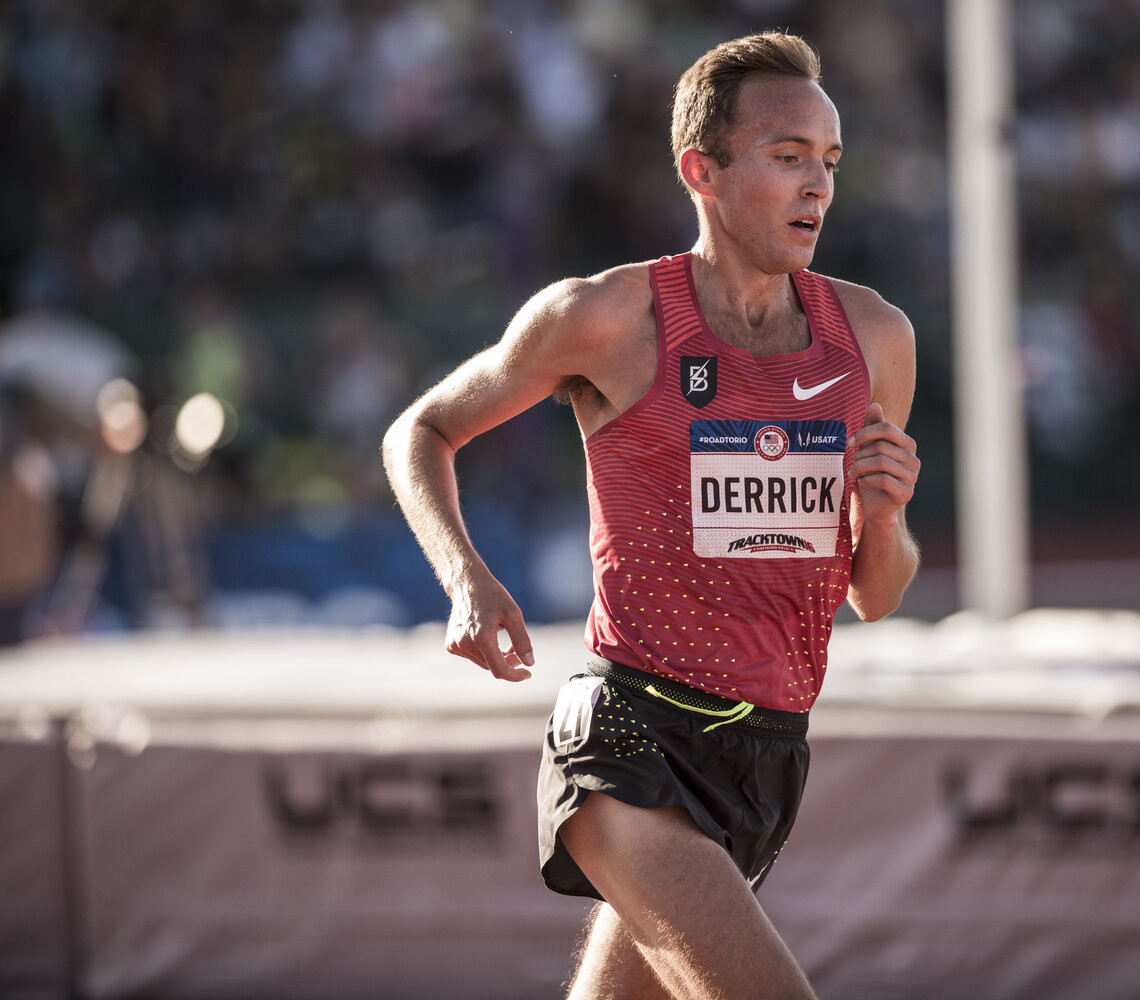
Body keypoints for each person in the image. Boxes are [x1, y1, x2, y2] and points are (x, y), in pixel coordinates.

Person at [382, 31, 920, 1000]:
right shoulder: (607, 318)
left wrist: (882, 518)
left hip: (767, 755)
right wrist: (466, 578)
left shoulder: (874, 338)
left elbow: (875, 595)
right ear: (700, 171)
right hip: (629, 737)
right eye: (787, 156)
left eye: (831, 161)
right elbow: (420, 431)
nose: (818, 186)